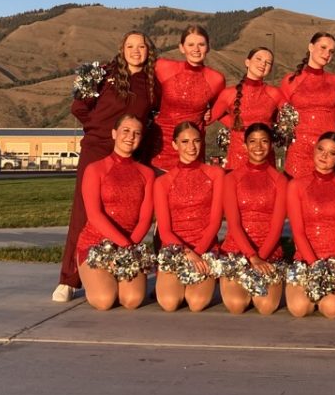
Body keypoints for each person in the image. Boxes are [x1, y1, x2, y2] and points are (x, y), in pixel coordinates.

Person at [53, 30, 160, 302]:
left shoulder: (152, 83)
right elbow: (78, 106)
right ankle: (68, 279)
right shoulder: (101, 72)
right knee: (84, 211)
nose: (136, 51)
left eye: (142, 46)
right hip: (98, 147)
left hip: (130, 151)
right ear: (121, 48)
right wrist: (96, 130)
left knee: (126, 212)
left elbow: (156, 117)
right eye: (131, 46)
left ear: (149, 50)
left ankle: (117, 264)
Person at [76, 114, 157, 311]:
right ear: (114, 133)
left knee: (132, 300)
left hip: (129, 246)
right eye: (126, 131)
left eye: (137, 133)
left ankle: (113, 278)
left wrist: (128, 250)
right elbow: (95, 216)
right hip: (96, 245)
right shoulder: (95, 169)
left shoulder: (147, 174)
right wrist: (124, 246)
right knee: (105, 301)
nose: (130, 136)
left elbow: (145, 218)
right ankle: (94, 276)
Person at [153, 121, 225, 312]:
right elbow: (165, 231)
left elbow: (215, 222)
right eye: (185, 142)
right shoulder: (162, 182)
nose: (191, 147)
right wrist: (188, 254)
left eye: (196, 141)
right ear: (175, 144)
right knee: (169, 303)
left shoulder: (215, 174)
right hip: (175, 249)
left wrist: (199, 253)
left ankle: (207, 280)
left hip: (205, 248)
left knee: (196, 303)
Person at [285, 132, 335, 318]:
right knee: (299, 308)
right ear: (314, 150)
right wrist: (314, 265)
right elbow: (298, 232)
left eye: (332, 153)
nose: (324, 156)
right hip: (306, 259)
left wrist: (333, 266)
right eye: (321, 149)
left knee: (331, 308)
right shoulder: (296, 186)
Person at [219, 123, 288, 315]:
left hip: (268, 252)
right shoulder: (232, 178)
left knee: (266, 307)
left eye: (264, 141)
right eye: (253, 141)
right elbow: (233, 223)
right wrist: (252, 257)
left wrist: (261, 257)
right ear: (244, 145)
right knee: (236, 305)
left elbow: (277, 226)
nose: (258, 147)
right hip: (237, 250)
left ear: (272, 145)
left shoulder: (280, 180)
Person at [150, 25, 225, 172]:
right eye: (190, 44)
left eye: (201, 44)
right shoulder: (163, 67)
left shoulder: (216, 79)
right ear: (181, 48)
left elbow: (221, 107)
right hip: (159, 146)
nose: (196, 49)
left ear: (208, 47)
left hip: (192, 150)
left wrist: (206, 116)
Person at [209, 47, 284, 171]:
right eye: (259, 59)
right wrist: (232, 123)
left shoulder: (275, 93)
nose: (263, 64)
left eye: (268, 62)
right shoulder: (229, 93)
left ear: (270, 69)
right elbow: (209, 118)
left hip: (264, 158)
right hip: (237, 159)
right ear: (247, 62)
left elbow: (293, 118)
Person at [279, 32, 335, 179]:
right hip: (299, 151)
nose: (327, 54)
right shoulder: (291, 80)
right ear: (311, 47)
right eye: (323, 48)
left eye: (331, 51)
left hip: (327, 152)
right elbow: (282, 116)